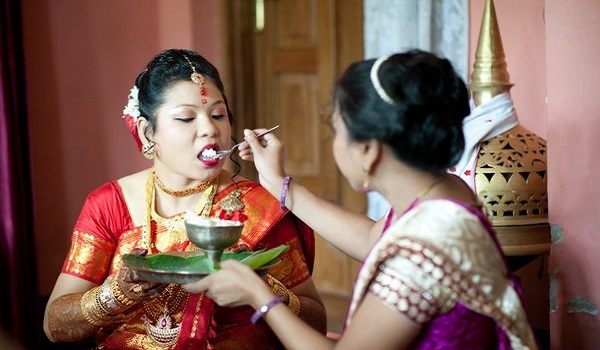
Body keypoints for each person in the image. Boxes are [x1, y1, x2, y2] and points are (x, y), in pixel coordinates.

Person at [183, 50, 539, 349]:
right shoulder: (445, 193)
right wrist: (280, 185)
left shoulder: (423, 250)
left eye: (337, 131)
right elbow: (374, 238)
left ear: (368, 150)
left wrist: (257, 295)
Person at [42, 48, 327, 350]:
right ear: (147, 132)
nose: (209, 129)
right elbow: (53, 325)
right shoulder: (110, 204)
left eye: (218, 115)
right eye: (186, 118)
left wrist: (260, 287)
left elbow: (316, 323)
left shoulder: (257, 207)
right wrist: (117, 293)